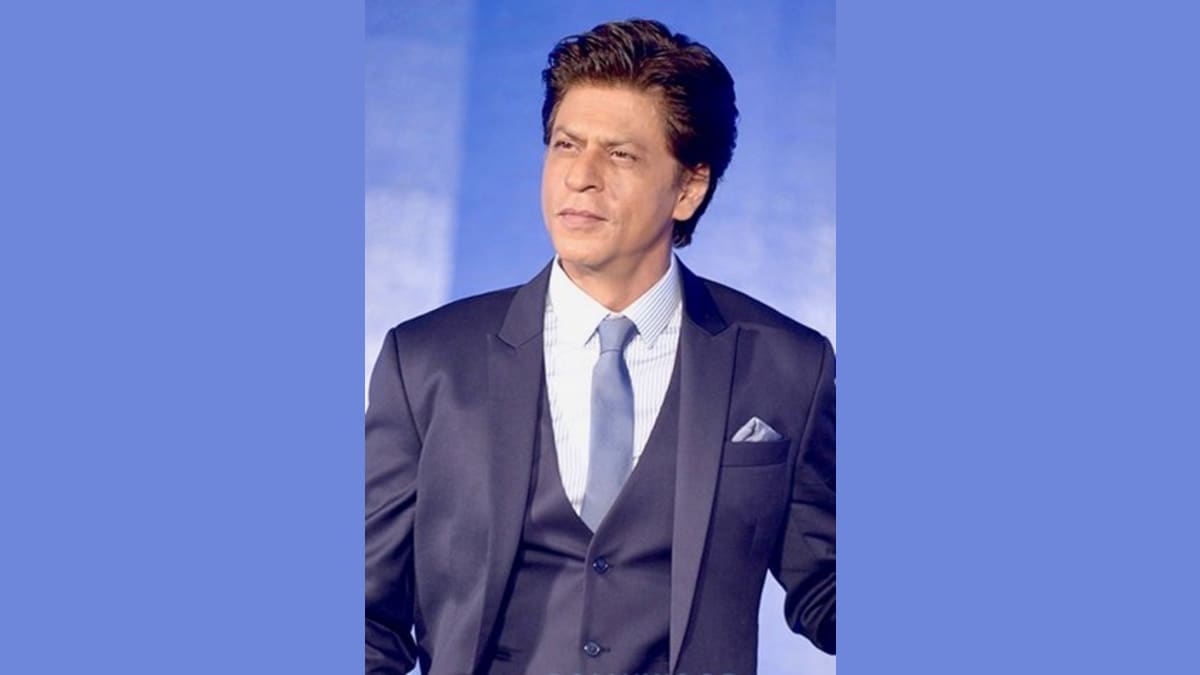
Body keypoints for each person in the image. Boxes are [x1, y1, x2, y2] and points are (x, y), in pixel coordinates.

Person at [366, 18, 835, 675]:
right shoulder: (427, 362)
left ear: (689, 188)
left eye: (620, 154)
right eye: (565, 144)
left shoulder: (786, 366)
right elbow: (365, 614)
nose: (580, 177)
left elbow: (828, 585)